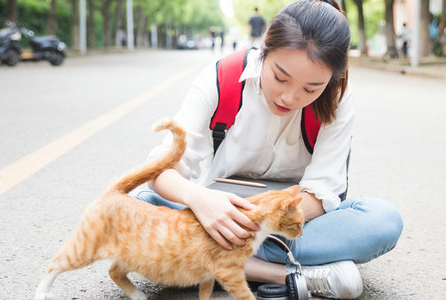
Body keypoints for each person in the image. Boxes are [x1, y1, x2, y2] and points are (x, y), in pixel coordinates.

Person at [134, 1, 403, 299]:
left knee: (383, 219)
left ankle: (212, 261)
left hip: (288, 221)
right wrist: (202, 201)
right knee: (138, 205)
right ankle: (288, 274)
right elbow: (160, 170)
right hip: (218, 210)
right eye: (280, 77)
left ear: (332, 79)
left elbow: (321, 193)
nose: (289, 97)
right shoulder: (221, 77)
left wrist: (248, 222)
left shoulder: (338, 98)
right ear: (265, 46)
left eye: (311, 89)